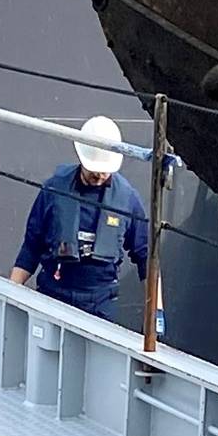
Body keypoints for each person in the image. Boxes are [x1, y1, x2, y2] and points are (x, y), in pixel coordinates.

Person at [9, 117, 150, 320]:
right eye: (94, 171)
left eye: (105, 171)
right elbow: (32, 246)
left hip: (100, 303)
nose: (100, 175)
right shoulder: (54, 189)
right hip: (53, 296)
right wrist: (11, 291)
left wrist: (156, 312)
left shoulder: (127, 199)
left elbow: (146, 257)